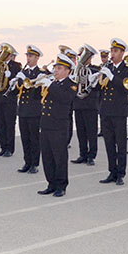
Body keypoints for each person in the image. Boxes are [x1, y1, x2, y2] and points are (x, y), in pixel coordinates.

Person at [37, 54, 77, 196]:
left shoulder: (71, 85)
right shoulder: (52, 83)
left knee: (59, 156)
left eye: (59, 68)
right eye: (55, 68)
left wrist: (51, 86)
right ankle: (51, 183)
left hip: (59, 126)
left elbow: (65, 99)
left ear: (67, 71)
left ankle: (61, 185)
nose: (56, 71)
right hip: (46, 124)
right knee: (47, 156)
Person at [95, 38, 128, 185]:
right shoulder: (107, 67)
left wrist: (112, 77)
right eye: (111, 50)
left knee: (120, 144)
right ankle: (112, 171)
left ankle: (121, 173)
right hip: (105, 111)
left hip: (119, 112)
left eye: (115, 51)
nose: (112, 53)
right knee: (109, 143)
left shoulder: (127, 69)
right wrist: (95, 79)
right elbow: (99, 88)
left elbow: (127, 87)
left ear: (122, 52)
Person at [14, 45, 47, 173]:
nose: (28, 58)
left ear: (37, 57)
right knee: (25, 137)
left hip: (34, 110)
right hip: (22, 110)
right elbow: (18, 91)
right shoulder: (24, 73)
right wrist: (17, 81)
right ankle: (27, 162)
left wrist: (24, 80)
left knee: (34, 138)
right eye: (27, 55)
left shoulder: (41, 74)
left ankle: (35, 164)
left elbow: (37, 93)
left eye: (31, 56)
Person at [0, 43, 22, 157]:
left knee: (9, 124)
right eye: (1, 53)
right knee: (0, 123)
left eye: (5, 53)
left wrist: (10, 74)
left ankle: (10, 148)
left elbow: (18, 80)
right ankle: (3, 147)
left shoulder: (16, 65)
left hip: (9, 99)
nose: (2, 56)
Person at [71, 44, 100, 166]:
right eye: (81, 56)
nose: (82, 58)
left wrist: (93, 81)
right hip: (78, 104)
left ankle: (91, 155)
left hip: (90, 105)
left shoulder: (94, 70)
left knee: (91, 131)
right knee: (81, 131)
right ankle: (82, 154)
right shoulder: (75, 71)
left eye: (85, 55)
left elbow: (99, 87)